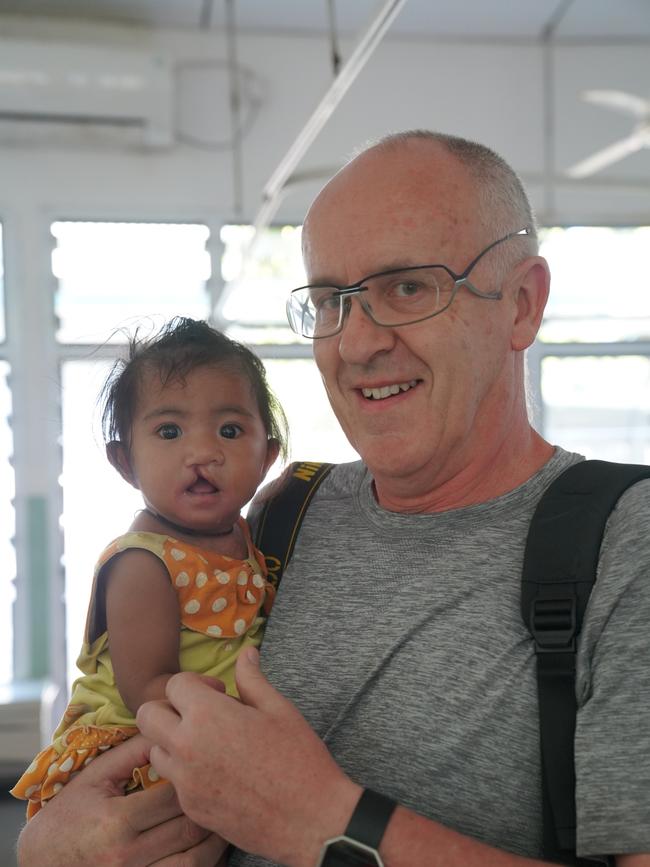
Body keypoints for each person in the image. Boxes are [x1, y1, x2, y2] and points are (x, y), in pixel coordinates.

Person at [17, 132, 650, 867]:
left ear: (521, 304)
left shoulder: (623, 543)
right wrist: (46, 847)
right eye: (330, 300)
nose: (354, 344)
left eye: (407, 287)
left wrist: (328, 822)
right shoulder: (288, 512)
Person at [11, 317, 285, 822]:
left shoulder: (250, 534)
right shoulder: (143, 563)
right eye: (169, 431)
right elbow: (147, 689)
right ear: (126, 463)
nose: (203, 453)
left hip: (202, 737)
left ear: (267, 455)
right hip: (137, 750)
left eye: (229, 430)